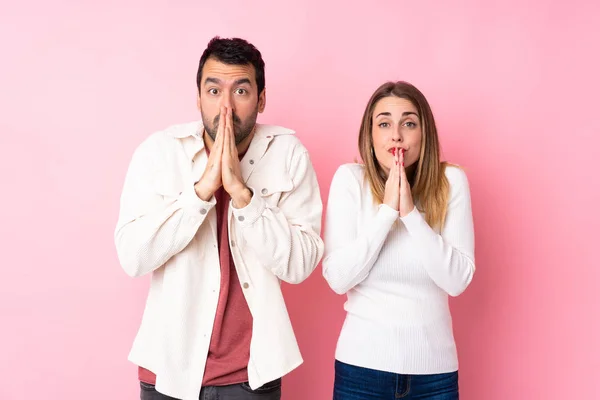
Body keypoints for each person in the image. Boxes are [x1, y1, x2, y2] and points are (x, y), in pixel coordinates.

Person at [114, 36, 324, 400]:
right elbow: (133, 258)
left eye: (240, 91)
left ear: (260, 99)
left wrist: (243, 195)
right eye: (213, 91)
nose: (225, 106)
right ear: (197, 97)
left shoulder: (288, 153)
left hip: (252, 375)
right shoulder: (159, 152)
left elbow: (300, 265)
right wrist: (200, 192)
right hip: (168, 371)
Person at [322, 81, 475, 399]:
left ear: (424, 133)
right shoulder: (350, 181)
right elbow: (338, 278)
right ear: (371, 134)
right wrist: (386, 214)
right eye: (384, 124)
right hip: (360, 372)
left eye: (408, 123)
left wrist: (411, 216)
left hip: (434, 377)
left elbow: (457, 281)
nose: (396, 135)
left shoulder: (451, 182)